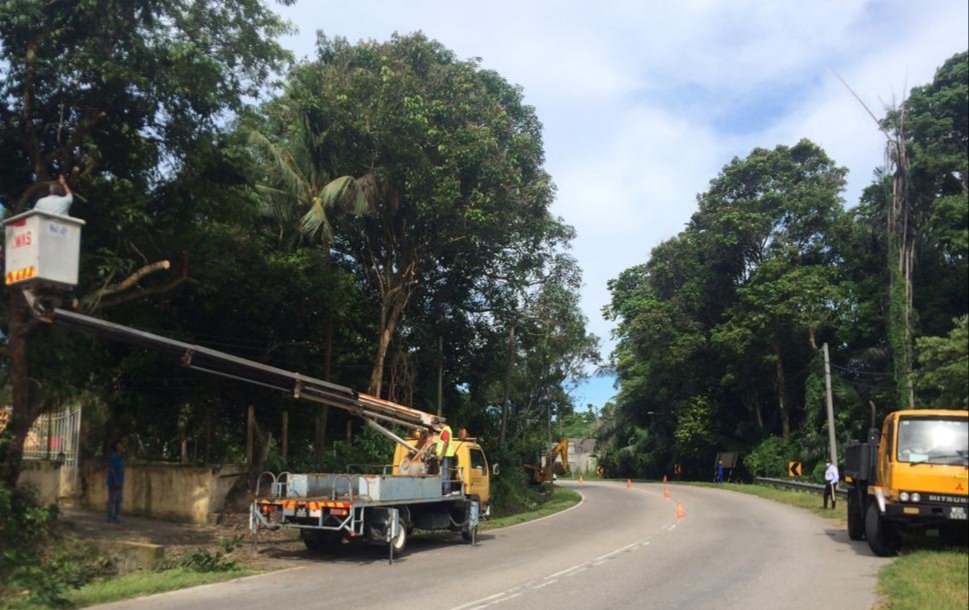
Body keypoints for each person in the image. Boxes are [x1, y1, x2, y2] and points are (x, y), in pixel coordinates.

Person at [106, 440, 124, 523]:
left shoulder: (120, 457)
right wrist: (115, 481)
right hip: (114, 482)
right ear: (116, 448)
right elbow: (112, 469)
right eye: (119, 446)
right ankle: (111, 517)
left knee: (118, 500)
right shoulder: (114, 457)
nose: (121, 447)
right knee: (113, 500)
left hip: (119, 481)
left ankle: (115, 516)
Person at [436, 424, 454, 494]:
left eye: (438, 425)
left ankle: (445, 491)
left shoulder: (445, 430)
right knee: (444, 472)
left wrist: (441, 454)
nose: (438, 427)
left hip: (445, 455)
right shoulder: (446, 430)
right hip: (445, 454)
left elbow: (446, 442)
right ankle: (446, 490)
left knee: (444, 473)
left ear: (440, 423)